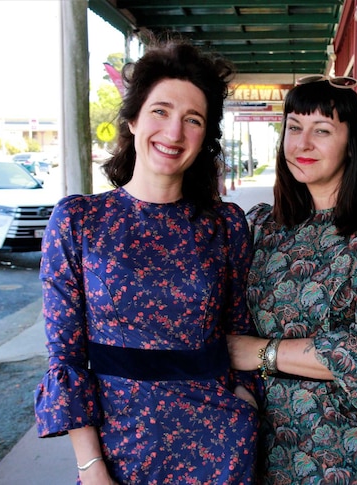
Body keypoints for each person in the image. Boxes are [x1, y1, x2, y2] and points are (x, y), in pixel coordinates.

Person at [34, 35, 259, 485]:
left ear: (205, 137)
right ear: (133, 119)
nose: (174, 133)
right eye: (161, 111)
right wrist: (90, 464)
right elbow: (66, 355)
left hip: (220, 450)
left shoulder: (225, 225)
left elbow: (242, 331)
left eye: (192, 120)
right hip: (119, 452)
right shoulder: (79, 221)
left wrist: (245, 409)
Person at [227, 75, 357, 484]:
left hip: (345, 457)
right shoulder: (262, 225)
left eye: (322, 130)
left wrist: (260, 353)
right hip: (261, 447)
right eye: (294, 127)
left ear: (352, 144)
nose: (302, 143)